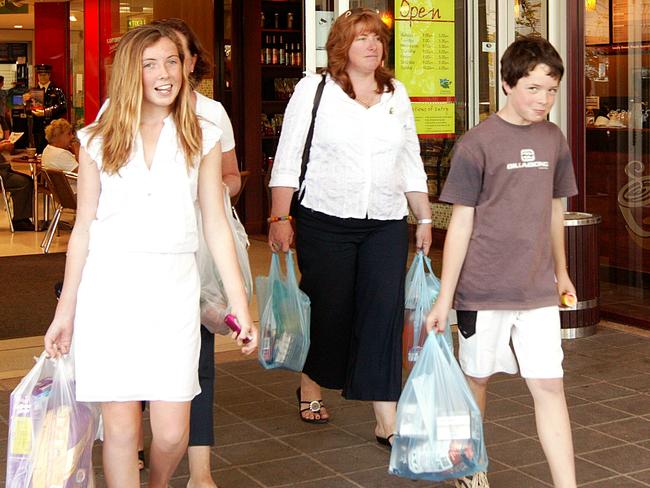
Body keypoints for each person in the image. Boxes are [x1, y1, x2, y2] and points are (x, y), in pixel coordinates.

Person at [43, 24, 257, 488]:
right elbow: (83, 230)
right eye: (150, 64)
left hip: (174, 292)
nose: (165, 74)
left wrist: (239, 303)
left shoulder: (203, 133)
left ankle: (157, 481)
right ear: (130, 73)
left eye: (172, 61)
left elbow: (216, 224)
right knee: (120, 430)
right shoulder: (98, 137)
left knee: (172, 431)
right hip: (110, 292)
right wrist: (66, 312)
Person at [268, 8, 432, 445]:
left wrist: (425, 216)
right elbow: (287, 158)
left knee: (383, 313)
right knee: (330, 309)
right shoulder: (314, 90)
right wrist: (280, 217)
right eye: (361, 38)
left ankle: (386, 419)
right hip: (325, 219)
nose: (372, 45)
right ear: (341, 45)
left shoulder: (396, 93)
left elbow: (409, 160)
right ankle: (311, 382)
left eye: (377, 38)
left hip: (385, 221)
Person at [425, 35, 578, 488]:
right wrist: (444, 298)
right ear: (508, 84)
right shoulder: (477, 144)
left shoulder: (554, 139)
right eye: (533, 88)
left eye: (551, 90)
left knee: (550, 385)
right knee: (476, 381)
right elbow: (460, 225)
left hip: (537, 289)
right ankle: (472, 472)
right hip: (483, 289)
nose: (544, 99)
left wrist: (562, 272)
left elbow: (556, 211)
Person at [151, 17, 241, 488]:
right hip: (143, 260)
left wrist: (205, 195)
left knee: (198, 358)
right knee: (148, 363)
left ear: (192, 62)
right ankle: (154, 448)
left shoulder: (212, 114)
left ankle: (201, 470)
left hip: (198, 251)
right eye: (158, 58)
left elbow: (233, 179)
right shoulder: (122, 113)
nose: (170, 67)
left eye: (178, 56)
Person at [23, 63, 67, 152]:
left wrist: (46, 112)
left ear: (49, 75)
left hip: (53, 128)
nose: (42, 77)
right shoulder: (32, 91)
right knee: (40, 153)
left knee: (54, 152)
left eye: (45, 75)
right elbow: (28, 112)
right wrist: (25, 102)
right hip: (38, 128)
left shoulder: (57, 90)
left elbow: (63, 107)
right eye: (40, 75)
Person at [0, 139, 34, 231]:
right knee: (23, 182)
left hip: (4, 168)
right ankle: (19, 220)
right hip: (1, 172)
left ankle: (23, 217)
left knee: (28, 180)